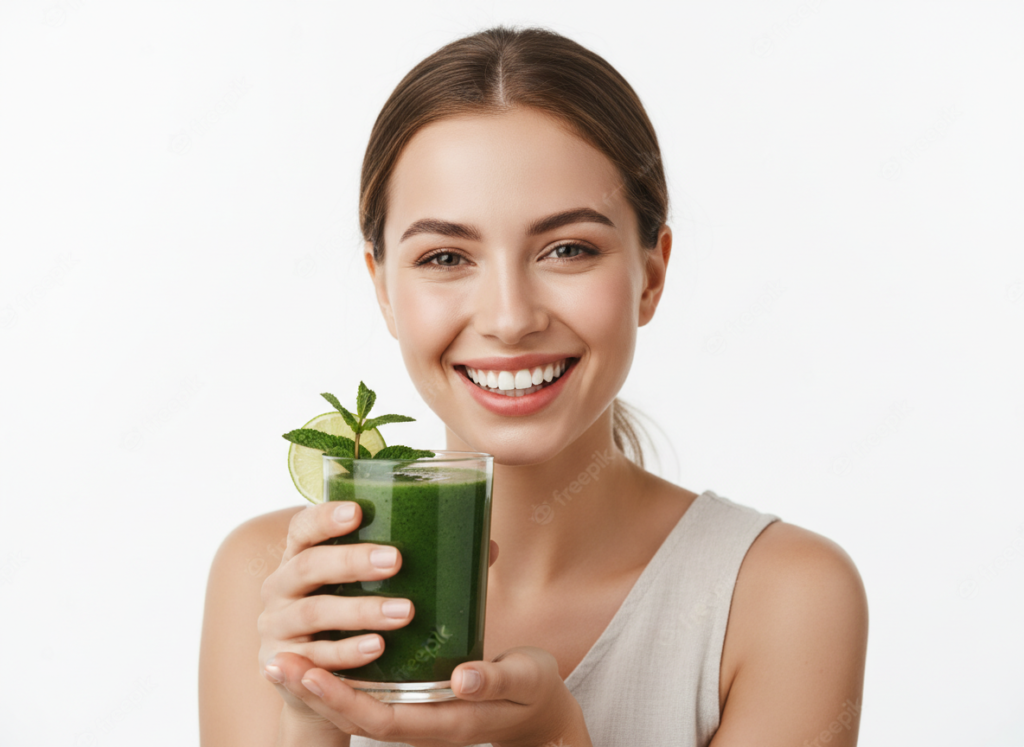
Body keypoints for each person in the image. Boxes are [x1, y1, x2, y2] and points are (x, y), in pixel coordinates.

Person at [199, 24, 868, 747]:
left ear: (651, 273)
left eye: (568, 249)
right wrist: (306, 718)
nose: (511, 319)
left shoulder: (785, 596)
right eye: (447, 256)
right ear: (384, 290)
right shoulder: (275, 582)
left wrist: (553, 736)